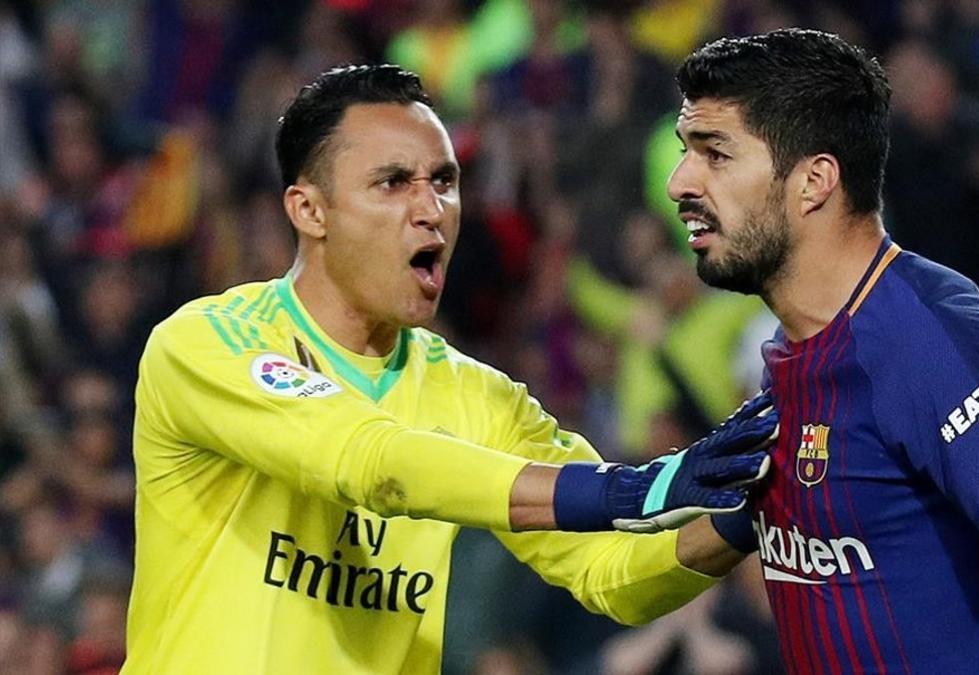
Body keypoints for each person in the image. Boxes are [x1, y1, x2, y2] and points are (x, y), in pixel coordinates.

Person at [122, 65, 778, 674]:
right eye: (392, 182)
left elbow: (613, 570)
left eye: (443, 180)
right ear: (309, 210)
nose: (431, 207)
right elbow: (366, 457)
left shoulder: (480, 398)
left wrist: (746, 509)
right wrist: (635, 487)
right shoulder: (209, 345)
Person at [667, 29, 979, 674]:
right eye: (684, 151)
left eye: (714, 154)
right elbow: (656, 557)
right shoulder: (791, 356)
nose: (678, 182)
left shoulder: (928, 334)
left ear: (814, 181)